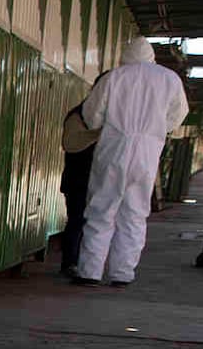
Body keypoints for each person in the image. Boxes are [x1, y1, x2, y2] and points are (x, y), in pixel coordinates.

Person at [73, 38, 189, 286]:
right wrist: (157, 129)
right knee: (135, 213)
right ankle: (122, 274)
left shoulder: (113, 77)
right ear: (151, 56)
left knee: (102, 210)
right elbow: (178, 115)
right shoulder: (169, 79)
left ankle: (90, 272)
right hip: (148, 152)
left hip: (114, 147)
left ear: (126, 55)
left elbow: (92, 116)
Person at [58, 90, 103, 276]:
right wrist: (99, 134)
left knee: (87, 223)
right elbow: (70, 143)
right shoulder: (78, 116)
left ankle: (83, 263)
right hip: (77, 179)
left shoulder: (96, 116)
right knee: (77, 221)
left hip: (93, 180)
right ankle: (70, 262)